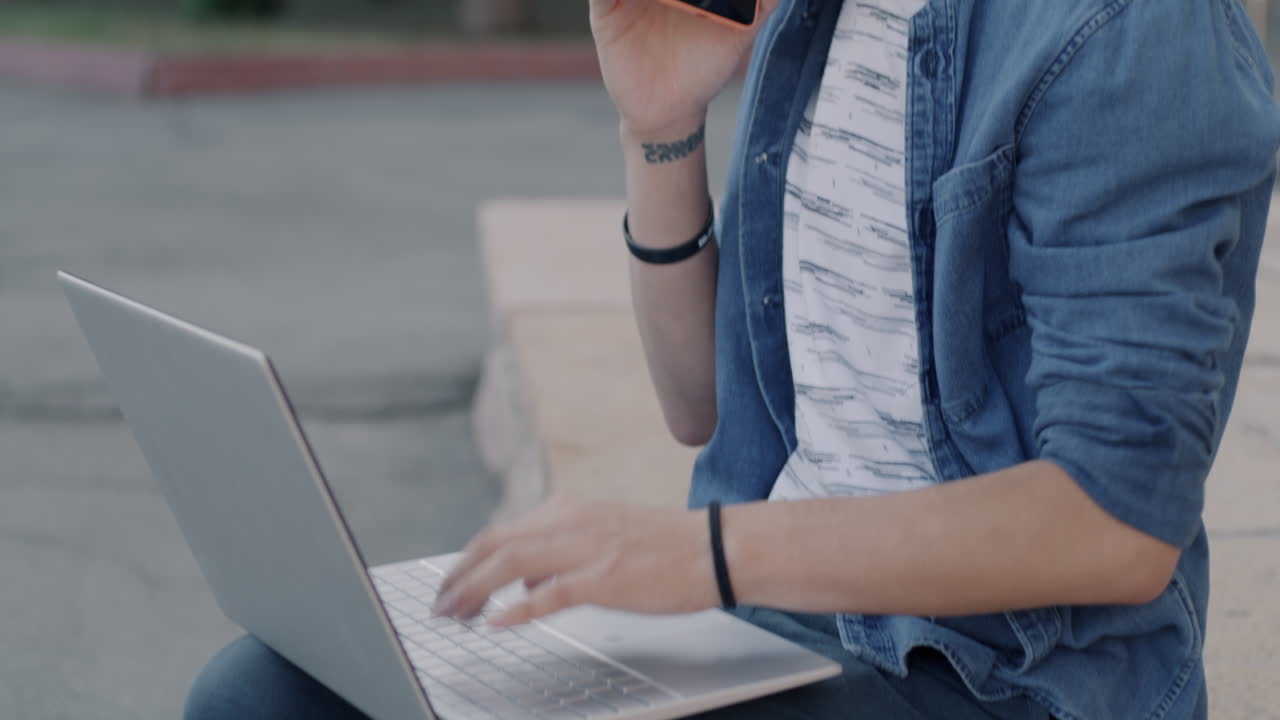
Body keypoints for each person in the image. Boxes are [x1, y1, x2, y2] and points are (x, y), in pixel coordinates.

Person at [184, 0, 1280, 718]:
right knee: (263, 695)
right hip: (778, 625)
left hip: (993, 679)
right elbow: (701, 403)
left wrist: (705, 556)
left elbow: (1113, 527)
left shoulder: (1134, 31)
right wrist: (656, 128)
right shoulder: (817, 14)